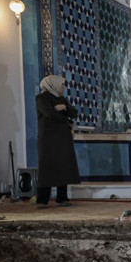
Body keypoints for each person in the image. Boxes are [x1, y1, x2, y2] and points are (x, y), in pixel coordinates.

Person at [35, 75, 80, 207]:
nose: (63, 88)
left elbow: (74, 112)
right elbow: (49, 113)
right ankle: (42, 200)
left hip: (62, 138)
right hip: (48, 138)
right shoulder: (41, 98)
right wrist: (59, 110)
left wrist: (64, 108)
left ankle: (62, 198)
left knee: (63, 166)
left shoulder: (61, 99)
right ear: (53, 85)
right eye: (61, 85)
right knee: (47, 167)